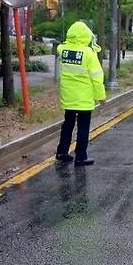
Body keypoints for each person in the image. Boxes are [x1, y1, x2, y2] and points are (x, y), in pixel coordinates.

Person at [55, 21, 106, 167]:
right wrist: (101, 96)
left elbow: (61, 49)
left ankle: (62, 152)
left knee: (68, 124)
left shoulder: (63, 50)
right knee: (83, 127)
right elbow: (96, 77)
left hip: (68, 95)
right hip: (83, 97)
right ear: (86, 36)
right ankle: (80, 157)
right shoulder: (89, 54)